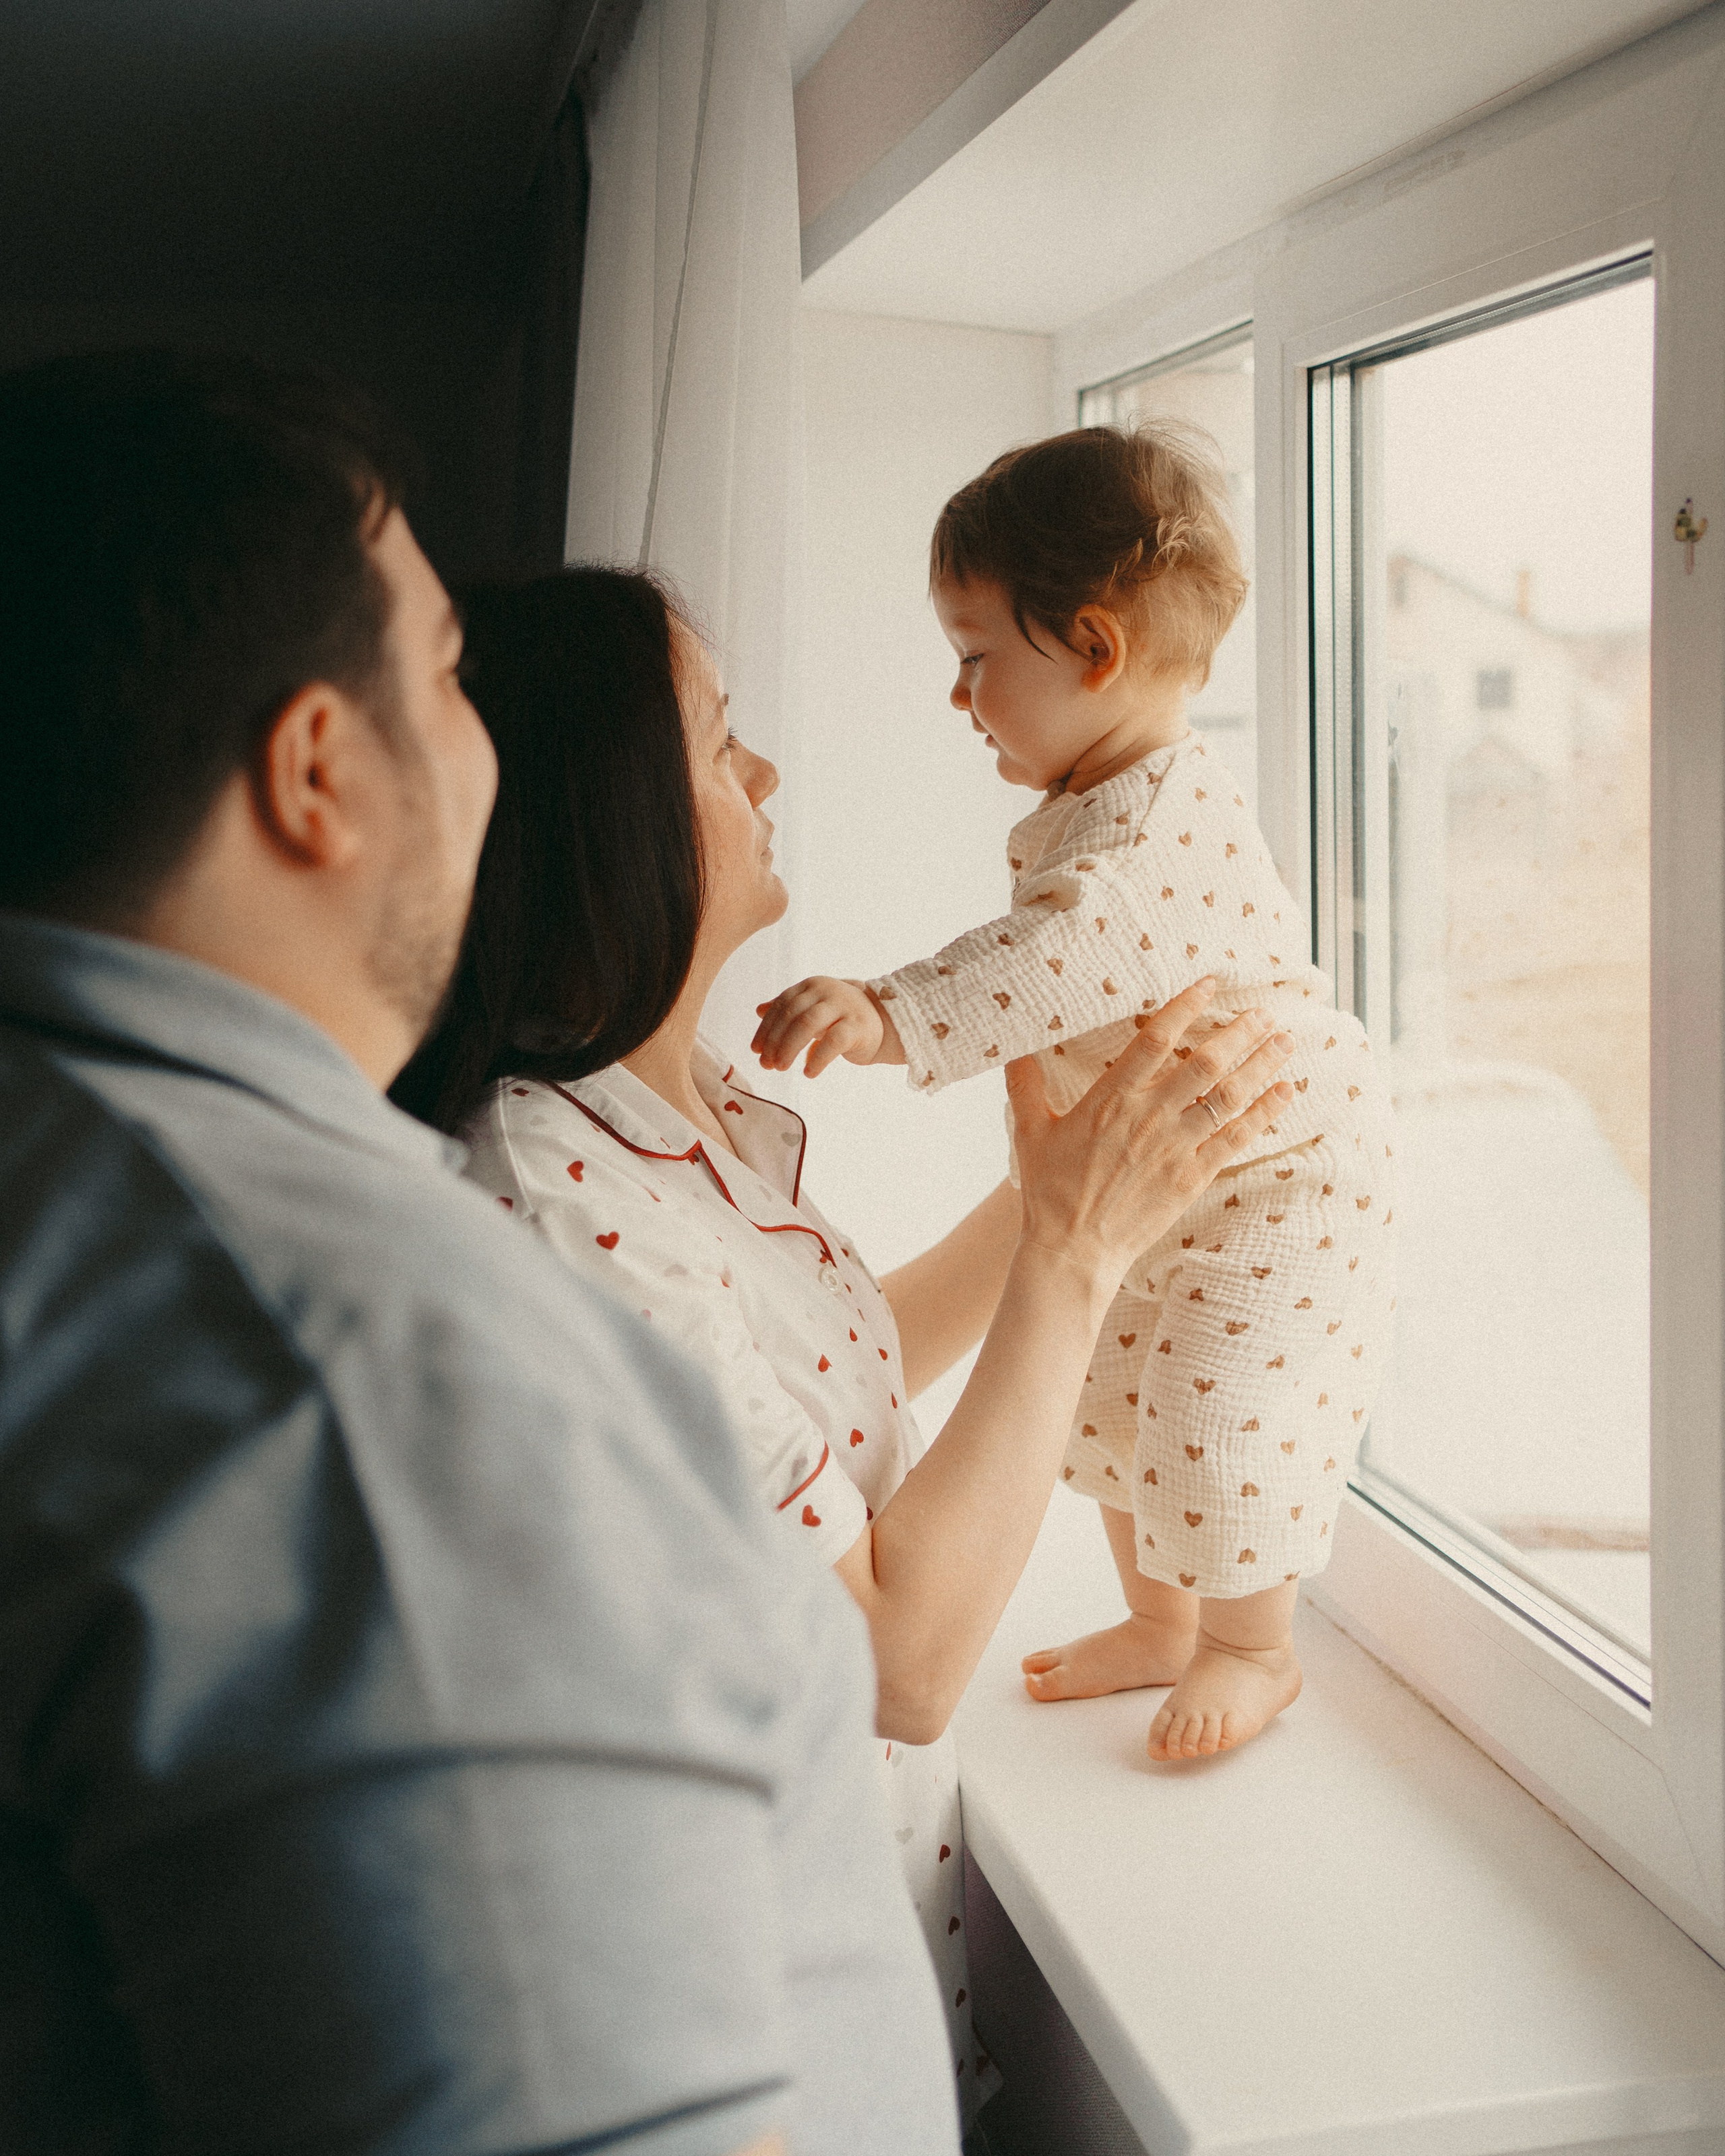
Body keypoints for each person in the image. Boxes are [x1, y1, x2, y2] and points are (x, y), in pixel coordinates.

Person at [0, 350, 960, 2156]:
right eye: (446, 673)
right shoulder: (374, 1394)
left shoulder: (67, 1175)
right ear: (316, 773)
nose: (492, 744)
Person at [390, 565, 1296, 2128]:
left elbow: (836, 1369)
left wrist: (1059, 1194)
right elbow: (899, 1659)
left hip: (845, 1972)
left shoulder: (677, 1131)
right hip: (745, 2060)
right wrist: (1073, 1253)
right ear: (611, 816)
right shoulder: (554, 1210)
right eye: (716, 740)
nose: (763, 774)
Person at [754, 422, 1398, 1763]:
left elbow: (1060, 955)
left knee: (1216, 1399)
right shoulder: (1101, 797)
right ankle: (1160, 1620)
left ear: (1093, 650)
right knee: (1100, 1381)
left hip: (1277, 1166)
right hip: (1171, 1160)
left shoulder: (1161, 820)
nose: (958, 697)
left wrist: (892, 1012)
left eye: (975, 658)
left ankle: (1246, 1641)